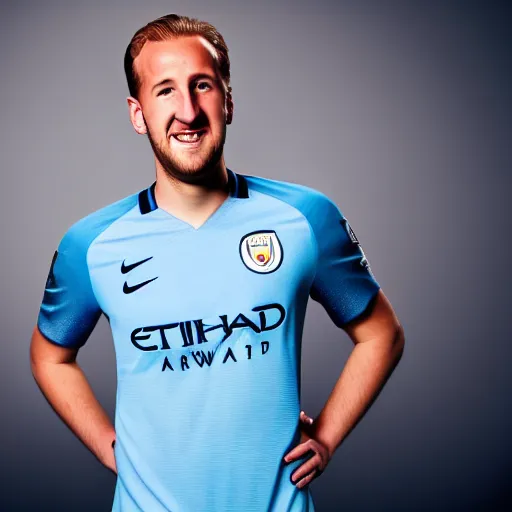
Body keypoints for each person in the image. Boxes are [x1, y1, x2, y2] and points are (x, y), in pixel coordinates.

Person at [30, 13, 405, 512]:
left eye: (201, 85)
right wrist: (110, 447)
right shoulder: (91, 246)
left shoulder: (303, 219)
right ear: (137, 112)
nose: (187, 110)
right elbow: (49, 355)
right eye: (164, 91)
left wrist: (328, 436)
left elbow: (382, 332)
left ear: (227, 101)